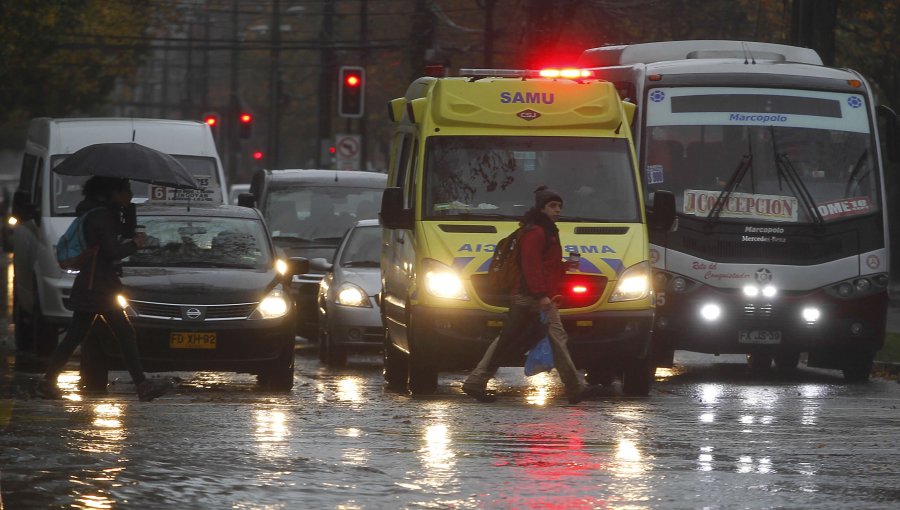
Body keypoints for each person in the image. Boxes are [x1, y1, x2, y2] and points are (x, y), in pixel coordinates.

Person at [35, 176, 172, 401]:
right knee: (123, 333)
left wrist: (129, 213)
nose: (128, 194)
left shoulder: (99, 213)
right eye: (125, 190)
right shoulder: (100, 216)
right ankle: (142, 385)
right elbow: (112, 250)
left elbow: (120, 234)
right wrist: (135, 244)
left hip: (92, 283)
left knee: (76, 335)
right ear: (113, 192)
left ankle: (48, 381)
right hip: (98, 286)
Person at [462, 185, 588, 404]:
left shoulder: (544, 230)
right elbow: (531, 266)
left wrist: (563, 266)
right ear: (541, 208)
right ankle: (575, 387)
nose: (557, 210)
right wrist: (541, 296)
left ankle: (575, 387)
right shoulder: (537, 232)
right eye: (552, 206)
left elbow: (544, 264)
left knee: (542, 338)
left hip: (536, 295)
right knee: (518, 339)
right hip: (531, 297)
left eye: (559, 206)